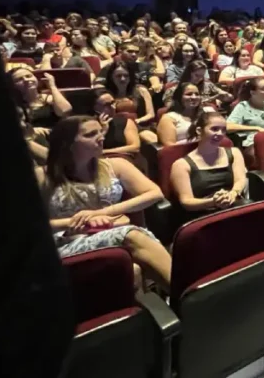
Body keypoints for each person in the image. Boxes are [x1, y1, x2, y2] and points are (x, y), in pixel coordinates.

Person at [39, 116, 172, 290]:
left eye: (100, 132)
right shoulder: (43, 176)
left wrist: (102, 213)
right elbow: (28, 225)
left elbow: (154, 193)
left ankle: (173, 298)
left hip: (111, 231)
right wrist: (75, 222)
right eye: (91, 134)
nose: (101, 137)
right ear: (68, 143)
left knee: (134, 267)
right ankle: (185, 295)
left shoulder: (114, 165)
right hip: (67, 241)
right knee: (132, 235)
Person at [169, 110, 248, 217]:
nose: (220, 134)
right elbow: (186, 202)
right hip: (203, 214)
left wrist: (232, 194)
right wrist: (213, 202)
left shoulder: (234, 152)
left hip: (233, 205)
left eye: (223, 130)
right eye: (214, 129)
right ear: (199, 131)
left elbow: (240, 179)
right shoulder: (181, 165)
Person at [226, 77, 264, 150]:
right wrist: (256, 128)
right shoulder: (243, 107)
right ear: (253, 92)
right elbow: (228, 127)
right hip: (254, 143)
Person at [102, 61, 155, 127]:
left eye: (126, 75)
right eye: (118, 76)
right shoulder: (107, 94)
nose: (123, 79)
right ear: (111, 77)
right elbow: (106, 117)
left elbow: (151, 114)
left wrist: (137, 121)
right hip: (117, 127)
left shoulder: (141, 90)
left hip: (141, 125)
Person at [93, 89, 140, 159]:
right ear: (94, 108)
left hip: (124, 161)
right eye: (107, 105)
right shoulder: (88, 125)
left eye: (113, 103)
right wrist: (103, 132)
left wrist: (104, 152)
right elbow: (89, 151)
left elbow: (135, 147)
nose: (113, 107)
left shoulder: (125, 121)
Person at [165, 60, 232, 108]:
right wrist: (212, 98)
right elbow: (169, 107)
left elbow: (228, 97)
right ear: (188, 73)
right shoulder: (174, 89)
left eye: (202, 76)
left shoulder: (207, 85)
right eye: (197, 75)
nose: (199, 79)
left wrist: (226, 96)